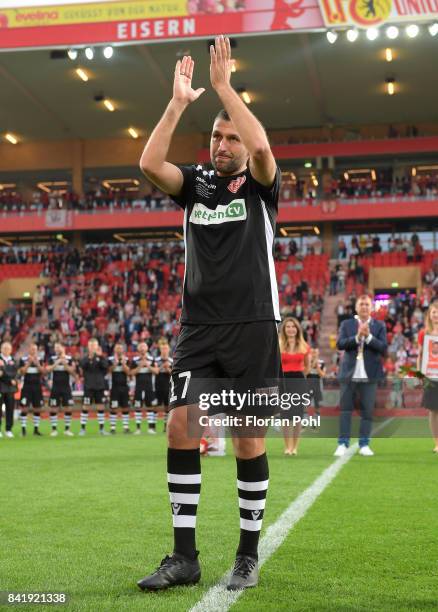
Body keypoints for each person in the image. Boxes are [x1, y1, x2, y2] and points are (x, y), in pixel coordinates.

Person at [136, 36, 281, 592]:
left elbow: (264, 151)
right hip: (198, 329)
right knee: (180, 426)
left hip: (253, 326)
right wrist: (178, 104)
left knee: (247, 438)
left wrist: (224, 88)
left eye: (230, 136)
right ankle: (184, 557)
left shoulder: (264, 187)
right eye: (216, 136)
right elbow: (149, 163)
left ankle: (247, 556)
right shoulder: (195, 185)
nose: (222, 144)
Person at [334, 295, 387, 457]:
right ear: (356, 307)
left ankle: (364, 444)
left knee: (367, 411)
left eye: (367, 304)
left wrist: (369, 337)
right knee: (345, 410)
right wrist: (357, 337)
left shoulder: (379, 325)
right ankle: (343, 443)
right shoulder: (346, 324)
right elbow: (340, 344)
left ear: (371, 308)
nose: (364, 307)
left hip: (369, 374)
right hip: (349, 373)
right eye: (361, 304)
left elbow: (383, 348)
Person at [279, 317, 310, 455]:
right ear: (284, 330)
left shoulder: (304, 346)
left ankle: (295, 447)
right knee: (285, 415)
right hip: (284, 381)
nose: (291, 329)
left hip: (298, 380)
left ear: (297, 329)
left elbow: (307, 367)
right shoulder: (278, 345)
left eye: (293, 326)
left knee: (297, 416)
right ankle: (287, 447)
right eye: (288, 327)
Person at [417, 302, 438, 452]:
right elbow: (420, 355)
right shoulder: (423, 333)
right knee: (433, 410)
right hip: (430, 376)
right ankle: (437, 443)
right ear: (429, 315)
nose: (436, 315)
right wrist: (420, 373)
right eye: (434, 312)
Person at [78, 338, 109, 436]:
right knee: (85, 407)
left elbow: (105, 367)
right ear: (88, 347)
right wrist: (89, 358)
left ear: (97, 347)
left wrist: (99, 357)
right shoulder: (85, 358)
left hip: (100, 386)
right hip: (88, 386)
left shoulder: (102, 357)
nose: (92, 348)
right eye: (91, 346)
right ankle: (82, 429)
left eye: (94, 346)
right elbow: (82, 365)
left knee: (100, 407)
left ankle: (102, 429)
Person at [46, 342, 76, 436]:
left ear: (63, 348)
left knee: (68, 407)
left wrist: (64, 364)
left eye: (59, 347)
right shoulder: (52, 359)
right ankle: (54, 429)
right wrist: (57, 363)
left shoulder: (69, 359)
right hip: (55, 386)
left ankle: (67, 429)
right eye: (56, 348)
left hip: (66, 386)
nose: (57, 349)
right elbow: (48, 369)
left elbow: (72, 371)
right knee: (53, 407)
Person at [130, 342, 159, 435]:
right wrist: (140, 366)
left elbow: (156, 371)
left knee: (150, 406)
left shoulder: (152, 359)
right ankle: (138, 428)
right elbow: (131, 373)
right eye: (141, 346)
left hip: (149, 386)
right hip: (138, 386)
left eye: (144, 346)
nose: (142, 348)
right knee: (138, 406)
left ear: (147, 348)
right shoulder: (134, 360)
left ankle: (150, 428)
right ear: (138, 349)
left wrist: (147, 365)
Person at [18, 343, 46, 436]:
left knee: (37, 408)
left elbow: (43, 372)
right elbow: (22, 372)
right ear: (28, 350)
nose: (33, 351)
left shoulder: (40, 360)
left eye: (35, 349)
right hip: (27, 386)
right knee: (24, 408)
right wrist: (29, 363)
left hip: (37, 387)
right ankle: (23, 429)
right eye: (32, 349)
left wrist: (37, 363)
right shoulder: (23, 359)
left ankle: (36, 430)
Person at [108, 343, 132, 434]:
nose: (119, 350)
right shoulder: (110, 359)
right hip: (114, 387)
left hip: (124, 386)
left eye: (120, 348)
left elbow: (129, 372)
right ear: (114, 349)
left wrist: (123, 364)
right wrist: (115, 363)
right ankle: (112, 428)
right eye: (117, 348)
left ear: (123, 350)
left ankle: (126, 427)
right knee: (113, 407)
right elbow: (108, 371)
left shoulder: (127, 359)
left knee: (125, 407)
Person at [154, 340, 173, 433]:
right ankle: (152, 427)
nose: (164, 350)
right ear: (160, 350)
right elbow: (155, 371)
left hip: (168, 386)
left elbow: (174, 374)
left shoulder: (172, 361)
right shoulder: (156, 360)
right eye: (163, 349)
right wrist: (162, 367)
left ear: (169, 350)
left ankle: (166, 426)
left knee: (167, 407)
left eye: (166, 349)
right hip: (157, 386)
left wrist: (168, 368)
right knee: (155, 407)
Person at [0, 341, 18, 438]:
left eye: (8, 348)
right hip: (1, 388)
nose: (6, 350)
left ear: (11, 350)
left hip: (10, 389)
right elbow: (1, 374)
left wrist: (12, 379)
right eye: (4, 348)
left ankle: (8, 429)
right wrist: (9, 379)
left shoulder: (13, 360)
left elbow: (15, 372)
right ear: (1, 349)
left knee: (10, 409)